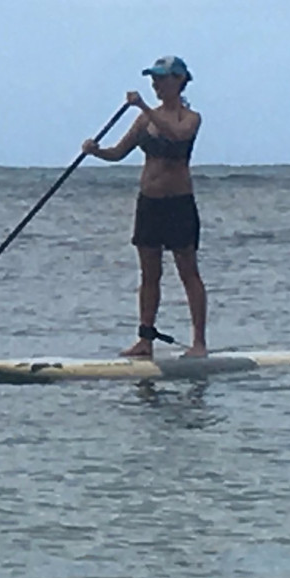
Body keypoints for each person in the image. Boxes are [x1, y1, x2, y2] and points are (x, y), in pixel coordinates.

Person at [82, 55, 207, 359]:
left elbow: (177, 135)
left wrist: (144, 107)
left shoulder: (190, 118)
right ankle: (144, 340)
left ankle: (199, 343)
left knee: (188, 271)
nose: (155, 84)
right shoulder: (144, 121)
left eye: (161, 78)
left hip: (179, 204)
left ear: (178, 80)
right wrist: (95, 151)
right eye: (154, 79)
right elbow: (118, 153)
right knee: (149, 274)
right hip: (149, 204)